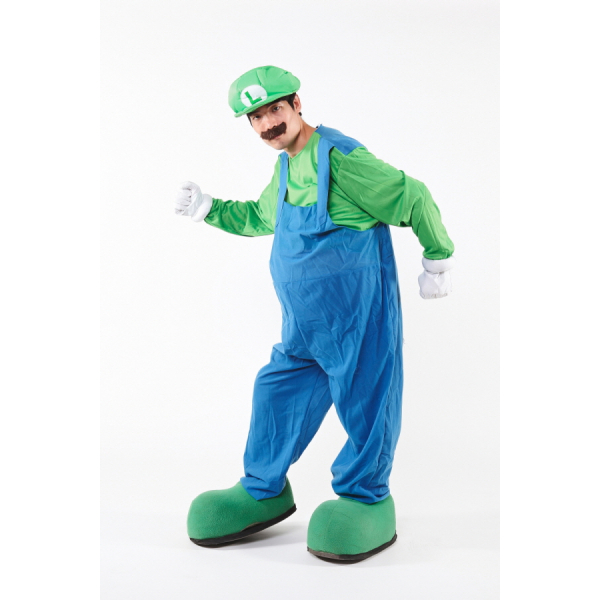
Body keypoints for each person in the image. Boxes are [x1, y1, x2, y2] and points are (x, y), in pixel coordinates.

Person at [175, 65, 455, 562]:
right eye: (256, 118)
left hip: (357, 323)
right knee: (274, 392)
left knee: (366, 401)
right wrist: (210, 208)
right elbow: (261, 216)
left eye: (274, 110)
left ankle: (367, 499)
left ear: (297, 104)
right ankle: (262, 488)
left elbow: (413, 196)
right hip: (302, 328)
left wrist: (437, 259)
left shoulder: (341, 158)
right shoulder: (285, 167)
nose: (267, 124)